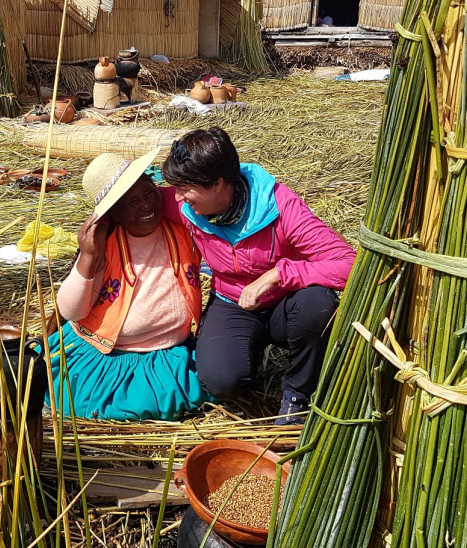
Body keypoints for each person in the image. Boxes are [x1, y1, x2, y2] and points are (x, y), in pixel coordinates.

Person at [160, 127, 355, 425]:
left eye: (185, 187)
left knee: (318, 304)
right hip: (232, 301)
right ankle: (245, 360)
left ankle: (297, 393)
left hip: (285, 303)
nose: (179, 197)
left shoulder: (280, 206)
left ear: (217, 184)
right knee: (223, 381)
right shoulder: (189, 207)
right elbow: (141, 200)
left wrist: (279, 274)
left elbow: (349, 263)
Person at [44, 148, 211, 421]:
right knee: (132, 407)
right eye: (132, 202)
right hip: (108, 357)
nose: (146, 205)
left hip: (172, 353)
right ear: (115, 213)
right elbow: (71, 311)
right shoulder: (103, 244)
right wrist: (87, 257)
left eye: (148, 193)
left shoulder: (183, 229)